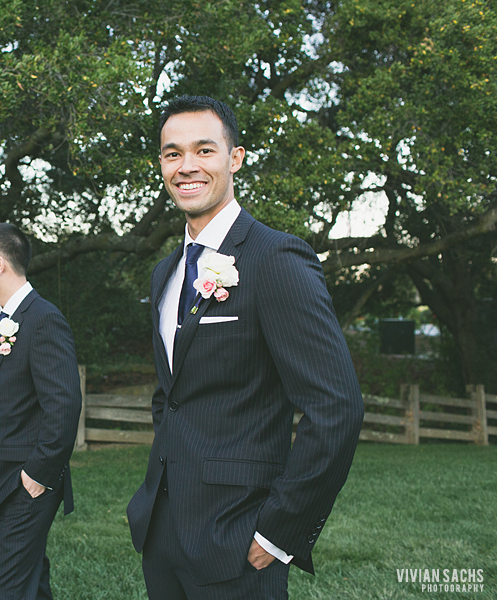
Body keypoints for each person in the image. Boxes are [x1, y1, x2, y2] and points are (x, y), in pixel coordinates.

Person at [126, 95, 365, 599]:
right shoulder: (166, 272)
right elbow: (172, 394)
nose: (186, 166)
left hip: (238, 536)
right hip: (162, 531)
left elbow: (336, 407)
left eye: (204, 150)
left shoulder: (277, 258)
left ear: (234, 158)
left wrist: (279, 530)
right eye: (172, 154)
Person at [0, 223, 82, 600]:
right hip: (4, 479)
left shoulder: (43, 318)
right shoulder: (6, 319)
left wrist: (38, 474)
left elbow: (64, 404)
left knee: (5, 590)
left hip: (26, 482)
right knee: (31, 583)